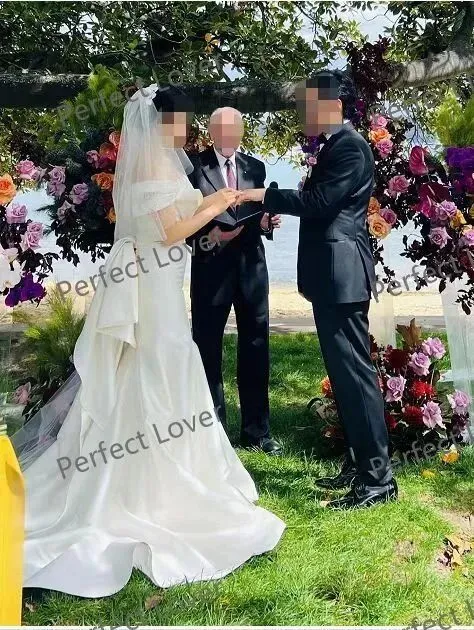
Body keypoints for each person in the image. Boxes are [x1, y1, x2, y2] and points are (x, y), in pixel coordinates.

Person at [13, 85, 285, 597]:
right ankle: (147, 479)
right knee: (160, 362)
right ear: (166, 121)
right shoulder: (153, 166)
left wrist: (213, 203)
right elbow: (170, 232)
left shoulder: (160, 163)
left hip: (160, 279)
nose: (189, 129)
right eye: (184, 121)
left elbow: (168, 223)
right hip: (154, 283)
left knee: (165, 362)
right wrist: (216, 203)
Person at [237, 70, 397, 509]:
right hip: (332, 278)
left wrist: (262, 195)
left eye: (310, 103)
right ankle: (358, 463)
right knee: (345, 377)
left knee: (355, 377)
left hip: (341, 277)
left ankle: (378, 480)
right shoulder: (336, 145)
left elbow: (318, 204)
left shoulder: (349, 147)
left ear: (333, 105)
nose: (303, 111)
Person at [187, 107, 282, 455]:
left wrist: (266, 223)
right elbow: (181, 224)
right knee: (206, 348)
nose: (228, 136)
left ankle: (257, 432)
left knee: (256, 345)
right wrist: (212, 238)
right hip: (210, 270)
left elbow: (256, 215)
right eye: (221, 129)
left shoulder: (255, 167)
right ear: (211, 132)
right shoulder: (192, 167)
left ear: (242, 132)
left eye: (234, 129)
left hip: (252, 269)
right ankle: (213, 432)